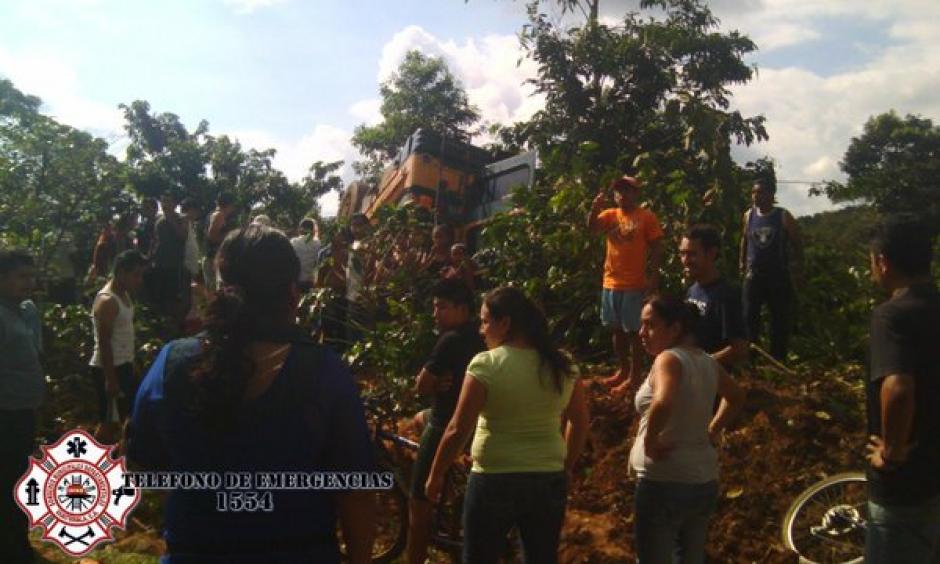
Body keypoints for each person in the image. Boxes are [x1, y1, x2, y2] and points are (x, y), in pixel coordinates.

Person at [125, 225, 376, 563]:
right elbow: (356, 493)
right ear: (293, 293)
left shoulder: (172, 363)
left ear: (221, 290)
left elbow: (146, 461)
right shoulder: (326, 373)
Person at [425, 286, 589, 564]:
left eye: (485, 321)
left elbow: (457, 429)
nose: (481, 330)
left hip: (493, 478)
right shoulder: (563, 365)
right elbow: (580, 421)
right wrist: (566, 466)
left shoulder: (486, 365)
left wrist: (435, 474)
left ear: (505, 323)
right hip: (547, 479)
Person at [629, 295, 745, 563]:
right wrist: (713, 430)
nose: (642, 333)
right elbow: (737, 396)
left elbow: (664, 400)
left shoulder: (668, 359)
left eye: (650, 325)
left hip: (664, 482)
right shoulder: (706, 361)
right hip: (702, 480)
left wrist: (650, 442)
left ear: (675, 329)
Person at [864, 216, 940, 562]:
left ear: (883, 262)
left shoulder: (891, 316)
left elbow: (898, 388)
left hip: (906, 484)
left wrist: (892, 452)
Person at [407, 279, 485, 564]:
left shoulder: (450, 341)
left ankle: (416, 556)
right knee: (419, 419)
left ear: (462, 309)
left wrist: (434, 382)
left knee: (417, 505)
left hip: (446, 422)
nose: (435, 314)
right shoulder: (483, 334)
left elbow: (421, 386)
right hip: (476, 420)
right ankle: (450, 491)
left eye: (442, 307)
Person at [588, 175, 664, 395]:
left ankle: (634, 376)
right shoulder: (610, 215)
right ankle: (622, 371)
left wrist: (654, 276)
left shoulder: (646, 217)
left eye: (627, 190)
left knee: (634, 332)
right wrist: (594, 208)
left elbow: (657, 246)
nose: (622, 195)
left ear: (635, 193)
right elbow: (592, 228)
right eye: (618, 191)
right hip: (610, 282)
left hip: (634, 284)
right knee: (616, 330)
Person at [0, 249, 43, 564]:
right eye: (21, 277)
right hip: (5, 413)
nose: (29, 282)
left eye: (31, 276)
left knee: (19, 479)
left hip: (25, 410)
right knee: (7, 481)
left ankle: (18, 543)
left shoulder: (27, 311)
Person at [739, 178, 804, 361]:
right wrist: (742, 264)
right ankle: (750, 359)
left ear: (771, 195)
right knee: (749, 317)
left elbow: (797, 243)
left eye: (760, 192)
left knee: (779, 319)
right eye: (753, 192)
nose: (755, 196)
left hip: (778, 276)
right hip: (753, 275)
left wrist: (799, 269)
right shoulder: (749, 215)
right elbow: (744, 240)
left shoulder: (783, 216)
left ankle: (777, 360)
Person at [89, 250, 147, 441]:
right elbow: (104, 342)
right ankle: (96, 454)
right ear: (121, 272)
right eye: (135, 275)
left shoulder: (124, 295)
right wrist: (110, 379)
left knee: (124, 417)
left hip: (123, 364)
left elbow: (123, 334)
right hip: (109, 367)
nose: (139, 280)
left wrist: (131, 362)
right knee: (108, 423)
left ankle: (121, 453)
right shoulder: (108, 301)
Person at [679, 224, 749, 370]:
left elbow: (739, 349)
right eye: (683, 254)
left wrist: (700, 365)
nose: (686, 260)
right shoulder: (692, 291)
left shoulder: (726, 295)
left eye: (692, 254)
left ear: (711, 253)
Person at [151, 192, 189, 331]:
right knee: (161, 297)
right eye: (163, 201)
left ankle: (177, 326)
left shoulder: (182, 219)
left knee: (175, 298)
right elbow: (155, 241)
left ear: (174, 204)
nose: (165, 204)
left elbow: (183, 237)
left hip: (175, 264)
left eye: (168, 201)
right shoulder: (159, 221)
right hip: (160, 263)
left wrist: (171, 220)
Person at [204, 193, 237, 290]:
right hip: (213, 259)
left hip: (212, 259)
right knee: (216, 292)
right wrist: (231, 235)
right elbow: (212, 236)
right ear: (229, 204)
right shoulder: (219, 215)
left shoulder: (214, 214)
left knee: (214, 291)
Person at [291, 217, 321, 291]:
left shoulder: (294, 242)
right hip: (310, 281)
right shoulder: (317, 243)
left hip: (296, 281)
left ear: (300, 229)